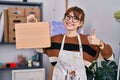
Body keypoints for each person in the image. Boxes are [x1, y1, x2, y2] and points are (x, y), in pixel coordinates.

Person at [27, 6, 113, 80]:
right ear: (64, 19)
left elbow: (109, 58)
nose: (70, 20)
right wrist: (32, 26)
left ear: (81, 23)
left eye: (75, 18)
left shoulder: (88, 42)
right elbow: (36, 45)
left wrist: (100, 44)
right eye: (67, 16)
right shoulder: (55, 40)